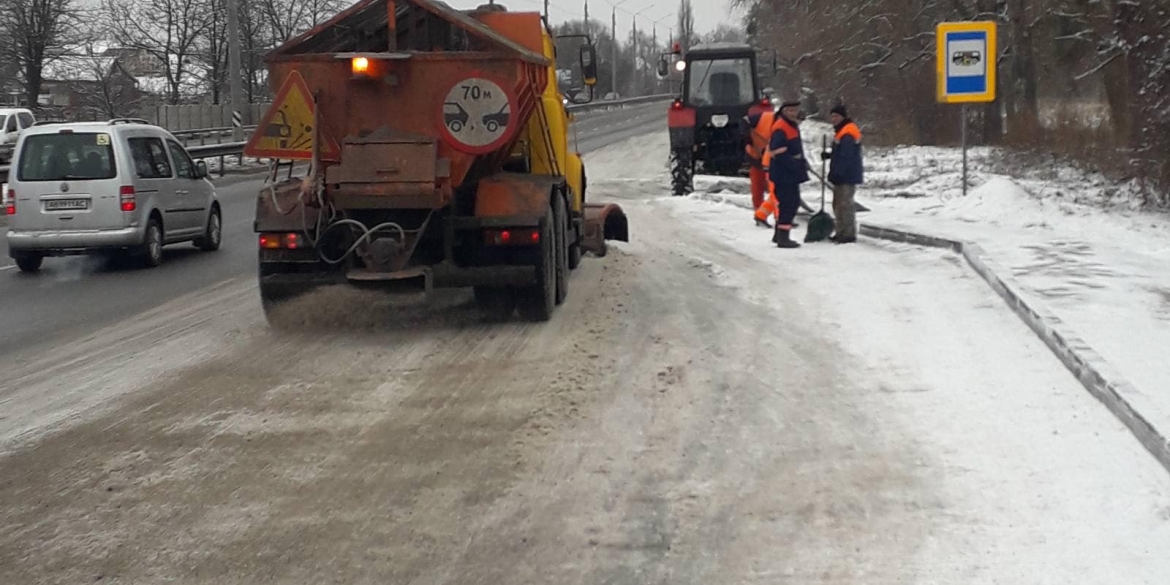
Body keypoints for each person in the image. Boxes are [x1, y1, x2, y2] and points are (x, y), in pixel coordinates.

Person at [766, 100, 809, 249]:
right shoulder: (781, 127)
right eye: (790, 110)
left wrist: (802, 162)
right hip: (784, 173)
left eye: (795, 110)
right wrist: (795, 165)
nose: (793, 113)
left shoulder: (791, 126)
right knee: (789, 203)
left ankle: (779, 235)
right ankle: (783, 237)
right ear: (784, 112)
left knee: (790, 202)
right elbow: (777, 152)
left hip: (788, 172)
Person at [822, 104, 863, 243]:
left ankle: (848, 234)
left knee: (845, 205)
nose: (833, 119)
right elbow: (840, 153)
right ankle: (841, 232)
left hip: (847, 175)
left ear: (843, 117)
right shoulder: (842, 131)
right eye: (832, 116)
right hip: (843, 174)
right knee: (838, 205)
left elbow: (846, 156)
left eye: (836, 116)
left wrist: (838, 173)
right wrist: (829, 155)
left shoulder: (848, 132)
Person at [743, 103, 776, 226]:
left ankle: (782, 217)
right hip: (756, 157)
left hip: (774, 161)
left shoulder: (790, 127)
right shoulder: (765, 117)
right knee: (758, 186)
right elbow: (745, 121)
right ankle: (759, 213)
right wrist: (747, 137)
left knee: (778, 190)